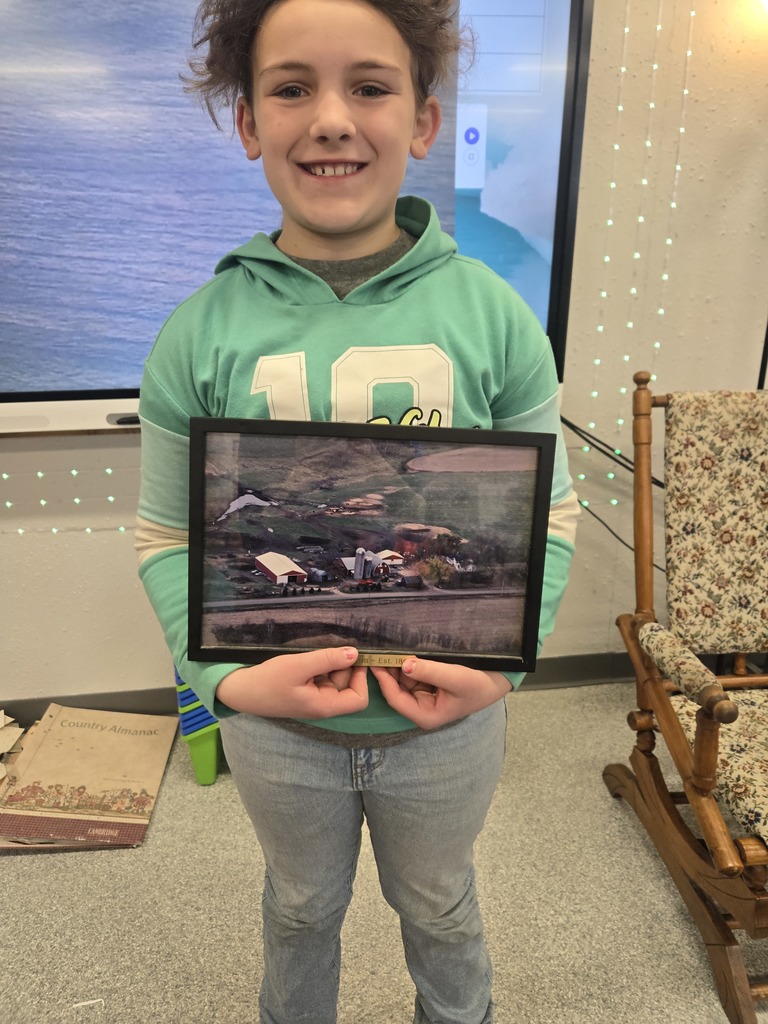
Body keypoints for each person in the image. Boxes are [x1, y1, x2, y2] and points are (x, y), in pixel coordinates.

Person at [136, 0, 579, 1020]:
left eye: (370, 87)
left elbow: (549, 516)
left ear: (423, 121)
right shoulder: (197, 333)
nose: (332, 118)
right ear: (250, 123)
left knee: (441, 905)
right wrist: (224, 681)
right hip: (275, 724)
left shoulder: (497, 318)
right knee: (299, 907)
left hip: (448, 722)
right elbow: (167, 535)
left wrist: (501, 669)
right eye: (292, 87)